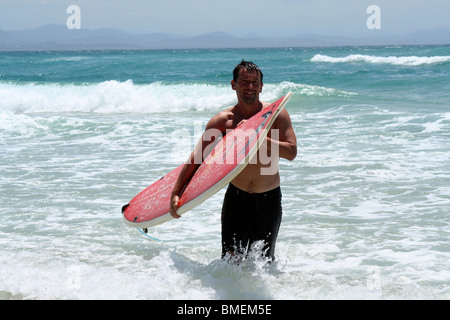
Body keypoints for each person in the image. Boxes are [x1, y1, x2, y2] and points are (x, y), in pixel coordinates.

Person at [170, 60, 297, 261]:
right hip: (236, 199)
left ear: (262, 87)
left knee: (263, 263)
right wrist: (176, 192)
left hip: (269, 200)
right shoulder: (223, 121)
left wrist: (257, 135)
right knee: (230, 262)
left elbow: (291, 152)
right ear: (233, 84)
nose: (250, 86)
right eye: (244, 81)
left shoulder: (276, 116)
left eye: (255, 82)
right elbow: (197, 159)